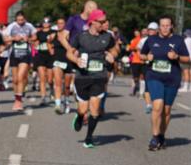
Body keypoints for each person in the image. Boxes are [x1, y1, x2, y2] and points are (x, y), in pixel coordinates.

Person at [66, 9, 118, 148]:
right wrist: (76, 60)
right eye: (101, 21)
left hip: (99, 76)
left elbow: (114, 50)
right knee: (83, 110)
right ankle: (79, 115)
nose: (104, 24)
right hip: (83, 76)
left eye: (105, 21)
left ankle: (88, 138)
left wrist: (112, 55)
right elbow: (69, 53)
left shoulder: (107, 36)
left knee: (95, 110)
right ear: (92, 22)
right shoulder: (80, 36)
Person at [140, 16, 190, 151]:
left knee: (166, 111)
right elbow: (142, 55)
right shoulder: (151, 39)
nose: (165, 28)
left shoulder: (178, 40)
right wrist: (146, 57)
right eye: (162, 25)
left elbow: (187, 58)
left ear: (172, 26)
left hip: (172, 78)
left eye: (167, 25)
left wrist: (177, 57)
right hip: (154, 76)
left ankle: (161, 135)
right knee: (158, 105)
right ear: (159, 27)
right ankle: (155, 137)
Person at [4, 11, 37, 111]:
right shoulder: (11, 26)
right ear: (16, 19)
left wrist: (29, 39)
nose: (20, 22)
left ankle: (19, 101)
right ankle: (16, 99)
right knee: (15, 80)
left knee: (20, 77)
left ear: (25, 19)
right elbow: (5, 39)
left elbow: (35, 37)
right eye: (18, 20)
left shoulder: (29, 26)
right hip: (14, 54)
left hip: (25, 54)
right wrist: (14, 38)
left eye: (22, 20)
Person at [33, 17, 56, 105]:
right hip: (41, 55)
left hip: (50, 56)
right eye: (44, 22)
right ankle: (43, 98)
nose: (46, 24)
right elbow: (33, 40)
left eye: (47, 22)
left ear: (50, 23)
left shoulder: (54, 32)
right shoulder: (39, 33)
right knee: (42, 77)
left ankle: (51, 89)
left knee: (49, 79)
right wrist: (33, 41)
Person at [50, 19, 70, 114]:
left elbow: (72, 47)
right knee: (58, 83)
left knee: (67, 86)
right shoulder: (53, 35)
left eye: (62, 23)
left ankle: (66, 101)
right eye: (58, 23)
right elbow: (48, 42)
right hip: (57, 61)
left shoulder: (68, 34)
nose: (60, 25)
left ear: (65, 24)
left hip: (68, 61)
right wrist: (50, 50)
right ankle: (57, 105)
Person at [128, 28, 145, 98]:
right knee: (137, 77)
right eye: (135, 33)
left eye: (137, 33)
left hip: (141, 60)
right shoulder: (135, 40)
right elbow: (130, 48)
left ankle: (140, 92)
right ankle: (137, 90)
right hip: (137, 60)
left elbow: (130, 48)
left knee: (140, 77)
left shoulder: (140, 40)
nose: (136, 34)